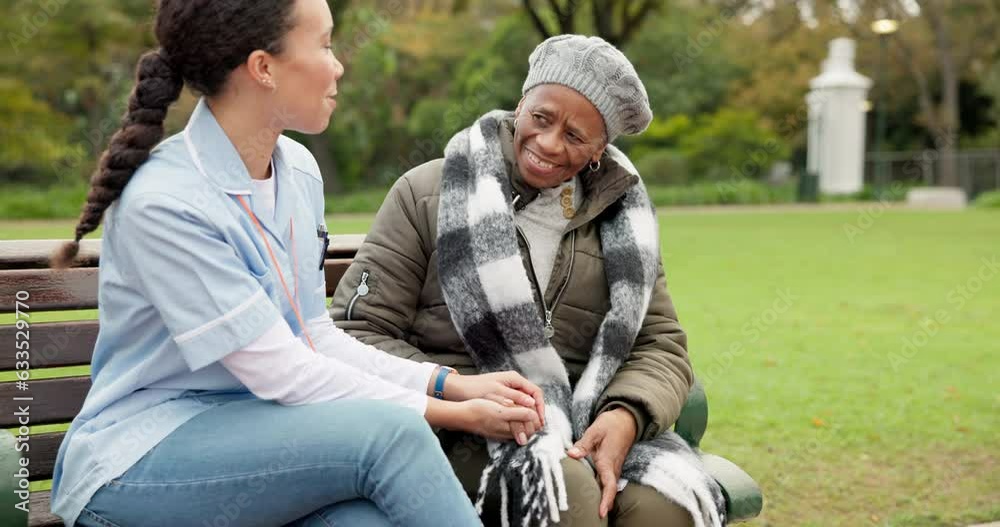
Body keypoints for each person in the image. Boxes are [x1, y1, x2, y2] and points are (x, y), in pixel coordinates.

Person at [48, 1, 545, 526]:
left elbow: (313, 337)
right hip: (139, 463)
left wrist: (448, 382)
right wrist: (455, 413)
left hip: (262, 440)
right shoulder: (167, 203)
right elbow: (282, 373)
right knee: (393, 432)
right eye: (325, 44)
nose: (339, 65)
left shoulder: (299, 172)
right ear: (264, 67)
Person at [331, 35, 728, 526]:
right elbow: (357, 333)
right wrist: (466, 391)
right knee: (565, 493)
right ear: (521, 105)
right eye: (541, 119)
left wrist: (625, 415)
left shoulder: (625, 220)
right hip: (455, 428)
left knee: (665, 508)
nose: (548, 144)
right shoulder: (425, 193)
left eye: (576, 136)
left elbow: (660, 344)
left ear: (600, 149)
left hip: (584, 423)